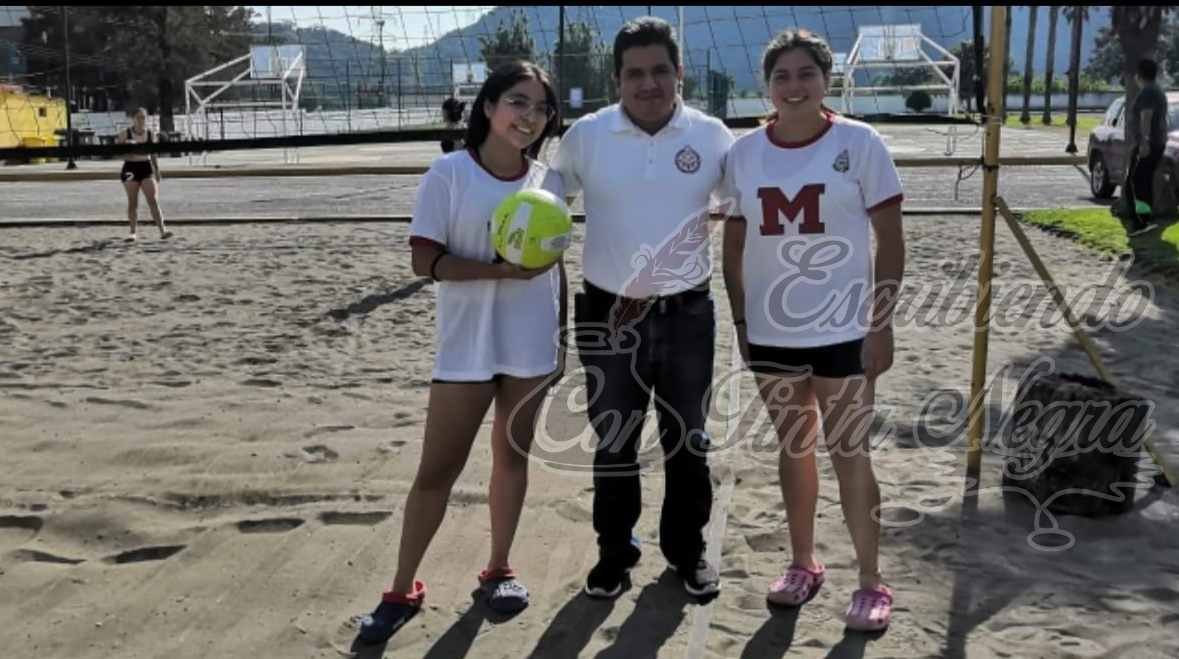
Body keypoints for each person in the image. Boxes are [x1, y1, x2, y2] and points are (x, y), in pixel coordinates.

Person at [356, 61, 566, 645]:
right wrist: (497, 272)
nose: (530, 117)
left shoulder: (548, 180)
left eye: (541, 108)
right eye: (518, 103)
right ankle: (400, 590)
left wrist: (562, 338)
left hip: (530, 341)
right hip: (465, 348)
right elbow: (425, 261)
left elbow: (554, 266)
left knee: (512, 459)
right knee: (436, 472)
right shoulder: (449, 172)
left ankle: (498, 570)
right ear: (490, 107)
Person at [721, 30, 905, 632]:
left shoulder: (860, 143)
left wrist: (881, 324)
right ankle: (803, 563)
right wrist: (744, 319)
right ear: (766, 86)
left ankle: (872, 581)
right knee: (793, 449)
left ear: (826, 80)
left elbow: (892, 241)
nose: (793, 86)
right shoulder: (744, 153)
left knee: (850, 452)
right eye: (782, 76)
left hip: (845, 329)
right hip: (773, 332)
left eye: (806, 74)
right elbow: (734, 243)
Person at [552, 16, 734, 600]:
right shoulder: (586, 134)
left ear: (679, 73)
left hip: (686, 313)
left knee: (689, 439)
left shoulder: (711, 136)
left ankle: (687, 552)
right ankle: (615, 552)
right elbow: (546, 205)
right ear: (616, 79)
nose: (648, 83)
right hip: (607, 312)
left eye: (660, 70)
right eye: (635, 73)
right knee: (614, 440)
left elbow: (746, 209)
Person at [1123, 58, 1167, 236]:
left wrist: (1144, 142)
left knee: (1137, 181)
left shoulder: (1148, 92)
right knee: (1140, 180)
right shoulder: (1156, 90)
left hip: (1148, 144)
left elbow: (1146, 117)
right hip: (1153, 142)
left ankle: (1143, 221)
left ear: (1139, 75)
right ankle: (1143, 219)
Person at [115, 108, 171, 241]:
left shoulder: (150, 134)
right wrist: (128, 148)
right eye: (138, 117)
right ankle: (132, 232)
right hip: (130, 167)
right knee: (133, 201)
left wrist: (157, 170)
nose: (141, 120)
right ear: (133, 119)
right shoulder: (125, 134)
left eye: (143, 118)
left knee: (153, 200)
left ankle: (162, 230)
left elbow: (153, 153)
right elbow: (116, 153)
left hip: (146, 167)